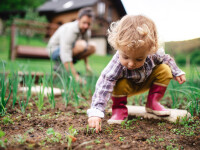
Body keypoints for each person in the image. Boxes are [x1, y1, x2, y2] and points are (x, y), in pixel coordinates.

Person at [87, 15, 186, 133]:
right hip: (125, 88)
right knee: (117, 82)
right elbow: (104, 84)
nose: (131, 64)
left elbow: (166, 59)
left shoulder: (153, 53)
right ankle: (118, 108)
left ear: (150, 50)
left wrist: (176, 72)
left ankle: (152, 103)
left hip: (145, 81)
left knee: (164, 69)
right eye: (126, 57)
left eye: (139, 59)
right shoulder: (116, 63)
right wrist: (96, 111)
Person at [47, 7, 96, 83]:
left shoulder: (87, 31)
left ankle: (63, 68)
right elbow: (65, 52)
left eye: (89, 24)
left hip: (68, 50)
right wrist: (76, 76)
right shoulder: (70, 29)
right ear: (78, 20)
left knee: (92, 47)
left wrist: (87, 65)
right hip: (54, 51)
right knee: (82, 45)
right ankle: (60, 67)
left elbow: (86, 49)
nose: (86, 26)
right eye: (84, 23)